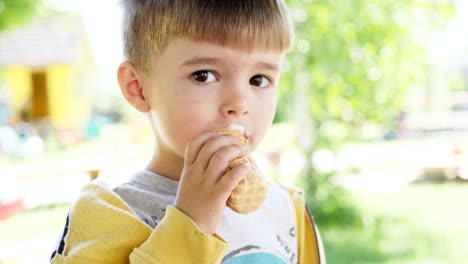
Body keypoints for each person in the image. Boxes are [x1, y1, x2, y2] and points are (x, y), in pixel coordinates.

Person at [50, 0, 326, 263]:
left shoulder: (286, 210)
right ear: (138, 88)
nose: (239, 104)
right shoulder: (108, 214)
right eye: (204, 75)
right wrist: (191, 223)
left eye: (259, 79)